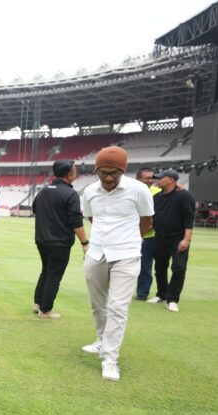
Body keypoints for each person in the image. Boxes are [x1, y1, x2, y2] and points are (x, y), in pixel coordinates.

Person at [80, 146, 153, 381]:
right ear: (96, 171)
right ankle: (101, 341)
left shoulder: (139, 190)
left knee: (118, 307)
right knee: (97, 304)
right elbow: (92, 218)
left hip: (127, 254)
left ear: (123, 170)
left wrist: (131, 240)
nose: (109, 178)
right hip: (97, 253)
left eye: (114, 173)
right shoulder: (90, 191)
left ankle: (110, 360)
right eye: (104, 173)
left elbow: (146, 220)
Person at [31, 160, 89, 319]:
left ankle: (38, 303)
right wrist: (84, 243)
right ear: (69, 173)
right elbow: (76, 221)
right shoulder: (70, 194)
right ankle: (45, 310)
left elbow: (35, 209)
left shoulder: (44, 190)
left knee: (46, 270)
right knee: (54, 275)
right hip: (60, 241)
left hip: (42, 239)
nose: (76, 172)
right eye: (75, 169)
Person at [147, 169, 195, 312]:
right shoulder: (156, 198)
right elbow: (152, 219)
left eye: (161, 178)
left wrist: (186, 239)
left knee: (178, 268)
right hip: (160, 237)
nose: (157, 180)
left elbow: (188, 218)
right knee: (160, 268)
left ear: (172, 180)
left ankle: (172, 299)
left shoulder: (184, 195)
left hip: (178, 238)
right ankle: (161, 294)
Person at [135, 167, 161, 300]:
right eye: (147, 178)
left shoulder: (158, 192)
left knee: (146, 266)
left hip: (150, 237)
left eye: (152, 178)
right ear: (138, 179)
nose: (150, 180)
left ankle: (142, 293)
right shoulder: (132, 191)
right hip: (132, 235)